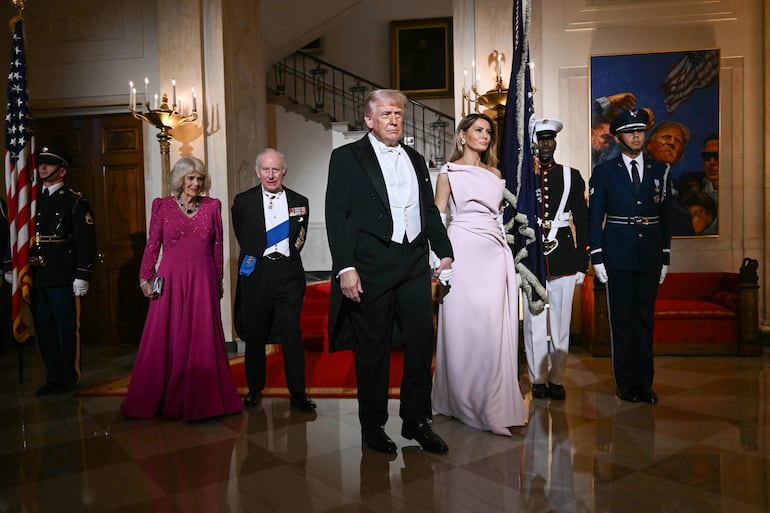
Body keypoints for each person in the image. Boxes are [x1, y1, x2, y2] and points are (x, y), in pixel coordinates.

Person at [325, 89, 454, 454]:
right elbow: (336, 214)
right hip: (370, 265)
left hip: (413, 262)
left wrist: (443, 251)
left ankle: (416, 422)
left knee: (419, 343)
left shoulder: (414, 157)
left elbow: (428, 211)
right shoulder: (347, 157)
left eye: (398, 113)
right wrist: (345, 267)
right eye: (386, 114)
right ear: (369, 120)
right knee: (373, 349)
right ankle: (373, 426)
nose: (394, 119)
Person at [121, 156, 242, 421]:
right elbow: (153, 244)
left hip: (203, 279)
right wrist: (145, 278)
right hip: (171, 279)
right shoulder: (162, 206)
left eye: (199, 178)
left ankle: (203, 401)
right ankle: (163, 398)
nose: (196, 183)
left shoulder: (212, 206)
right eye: (190, 178)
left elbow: (218, 247)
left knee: (202, 338)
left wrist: (218, 281)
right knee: (165, 336)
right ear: (180, 180)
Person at [430, 113, 526, 436]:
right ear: (462, 135)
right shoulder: (449, 172)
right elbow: (436, 217)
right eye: (478, 130)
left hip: (493, 253)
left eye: (488, 132)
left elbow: (497, 217)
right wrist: (438, 260)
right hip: (462, 251)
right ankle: (460, 400)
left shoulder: (496, 173)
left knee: (493, 328)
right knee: (462, 329)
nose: (485, 136)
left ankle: (493, 404)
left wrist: (505, 254)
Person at [589, 108, 672, 404]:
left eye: (640, 130)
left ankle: (644, 384)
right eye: (629, 131)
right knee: (622, 321)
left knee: (645, 320)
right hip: (618, 255)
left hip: (649, 255)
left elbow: (666, 217)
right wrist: (597, 256)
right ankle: (626, 384)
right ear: (618, 136)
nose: (636, 136)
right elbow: (595, 215)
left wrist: (665, 256)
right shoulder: (604, 172)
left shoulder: (660, 170)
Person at [232, 148, 316, 412]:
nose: (271, 175)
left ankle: (298, 393)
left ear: (284, 171)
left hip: (288, 274)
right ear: (258, 172)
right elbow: (243, 234)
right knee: (255, 335)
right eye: (266, 169)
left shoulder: (300, 200)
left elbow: (299, 236)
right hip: (257, 274)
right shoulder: (243, 202)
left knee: (292, 334)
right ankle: (255, 389)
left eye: (276, 169)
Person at [522, 119, 589, 401]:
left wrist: (581, 264)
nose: (545, 144)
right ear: (533, 144)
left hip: (562, 255)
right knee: (534, 320)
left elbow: (583, 222)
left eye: (549, 139)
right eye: (540, 139)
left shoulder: (572, 176)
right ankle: (537, 379)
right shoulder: (525, 179)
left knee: (562, 321)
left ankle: (557, 378)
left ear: (555, 142)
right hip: (533, 257)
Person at [30, 146, 96, 396]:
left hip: (63, 274)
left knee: (65, 328)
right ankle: (53, 376)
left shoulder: (75, 200)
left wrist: (83, 274)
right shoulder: (33, 200)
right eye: (41, 164)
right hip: (38, 274)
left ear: (62, 171)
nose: (42, 168)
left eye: (49, 164)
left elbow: (86, 239)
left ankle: (69, 377)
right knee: (44, 328)